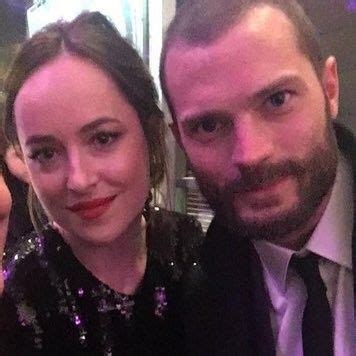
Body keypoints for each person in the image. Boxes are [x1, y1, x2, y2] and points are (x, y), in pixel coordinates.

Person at [0, 11, 203, 355]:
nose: (78, 179)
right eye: (46, 153)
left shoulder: (190, 248)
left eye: (103, 138)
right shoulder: (21, 293)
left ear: (150, 132)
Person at [160, 0, 356, 355]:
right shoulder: (193, 301)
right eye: (208, 126)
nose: (250, 154)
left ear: (330, 90)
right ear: (181, 141)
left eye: (277, 100)